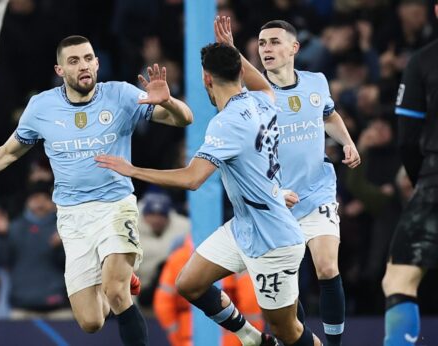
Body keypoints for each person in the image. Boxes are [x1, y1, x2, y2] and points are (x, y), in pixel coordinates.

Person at [0, 35, 194, 345]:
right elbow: (7, 153)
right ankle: (119, 273)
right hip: (72, 217)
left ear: (97, 62)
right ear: (60, 70)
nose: (83, 65)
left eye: (88, 58)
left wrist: (169, 102)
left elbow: (184, 119)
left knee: (116, 292)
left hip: (115, 206)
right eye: (74, 61)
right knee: (91, 321)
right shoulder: (42, 107)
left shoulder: (121, 95)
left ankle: (118, 275)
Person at [95, 17, 320, 345]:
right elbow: (265, 86)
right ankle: (252, 338)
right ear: (240, 72)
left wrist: (133, 170)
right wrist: (232, 49)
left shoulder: (226, 123)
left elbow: (192, 179)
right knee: (189, 283)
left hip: (274, 239)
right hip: (245, 226)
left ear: (205, 79)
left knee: (289, 332)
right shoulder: (260, 101)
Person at [256, 19, 361, 346]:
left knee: (328, 268)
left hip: (317, 192)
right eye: (261, 44)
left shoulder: (316, 82)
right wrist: (271, 191)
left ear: (293, 48)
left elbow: (328, 115)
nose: (267, 49)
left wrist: (347, 141)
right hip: (276, 201)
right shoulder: (256, 94)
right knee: (286, 291)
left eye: (274, 42)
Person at [382, 3, 438, 345]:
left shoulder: (424, 60)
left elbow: (407, 140)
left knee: (400, 279)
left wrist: (422, 184)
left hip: (435, 180)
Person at [154, 236, 263, 346]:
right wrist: (249, 335)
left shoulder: (177, 258)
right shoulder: (235, 254)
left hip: (190, 338)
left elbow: (163, 305)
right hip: (231, 338)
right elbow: (250, 302)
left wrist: (177, 338)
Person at [0, 181, 71, 319]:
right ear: (27, 202)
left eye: (45, 199)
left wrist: (64, 245)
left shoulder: (64, 228)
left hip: (59, 308)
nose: (40, 203)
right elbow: (0, 260)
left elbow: (75, 266)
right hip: (21, 309)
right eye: (35, 198)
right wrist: (2, 236)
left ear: (53, 203)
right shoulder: (14, 228)